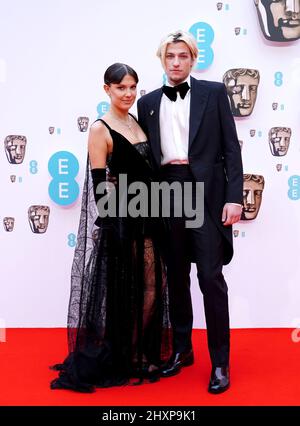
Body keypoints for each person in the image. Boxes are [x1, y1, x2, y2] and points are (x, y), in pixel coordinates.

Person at [50, 63, 172, 392]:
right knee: (141, 288)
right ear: (107, 89)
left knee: (150, 286)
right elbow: (98, 183)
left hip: (149, 214)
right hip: (124, 221)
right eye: (121, 88)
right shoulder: (99, 130)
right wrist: (113, 224)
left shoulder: (134, 119)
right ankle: (128, 354)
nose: (128, 94)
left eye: (133, 87)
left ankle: (129, 350)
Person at [137, 31, 243, 394]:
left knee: (210, 278)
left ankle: (220, 363)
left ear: (193, 59)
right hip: (167, 190)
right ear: (162, 59)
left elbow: (231, 149)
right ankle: (182, 349)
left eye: (183, 56)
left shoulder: (214, 93)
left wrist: (233, 197)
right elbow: (148, 159)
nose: (177, 62)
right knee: (176, 275)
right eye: (170, 56)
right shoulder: (147, 102)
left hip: (206, 193)